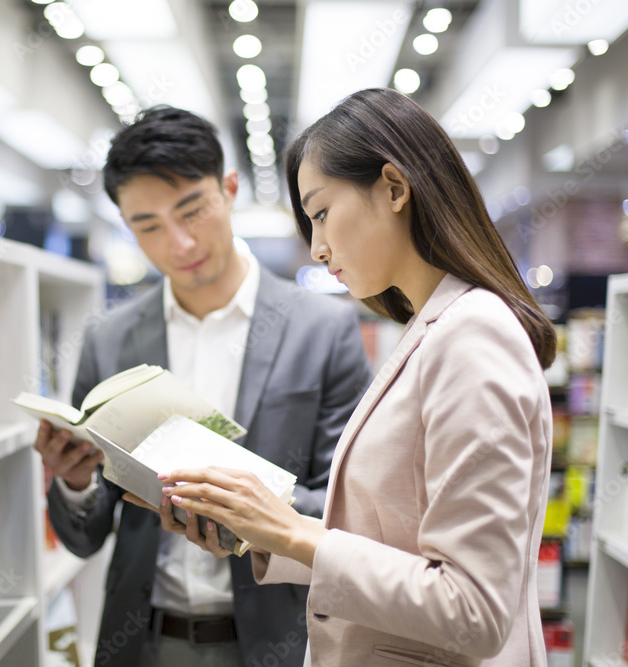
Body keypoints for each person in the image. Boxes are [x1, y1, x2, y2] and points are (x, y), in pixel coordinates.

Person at [158, 88, 556, 667]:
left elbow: (473, 608)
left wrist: (295, 534)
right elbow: (393, 535)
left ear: (395, 188)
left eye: (321, 214)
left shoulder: (473, 335)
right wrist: (259, 526)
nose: (318, 248)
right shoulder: (431, 326)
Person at [34, 105, 372, 667]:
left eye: (193, 211)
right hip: (144, 641)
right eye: (148, 226)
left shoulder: (323, 329)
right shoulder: (110, 340)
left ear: (230, 188)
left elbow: (349, 510)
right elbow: (84, 537)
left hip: (276, 640)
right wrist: (74, 485)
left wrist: (241, 506)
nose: (179, 244)